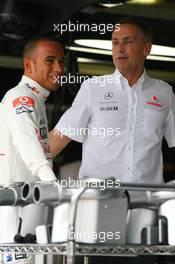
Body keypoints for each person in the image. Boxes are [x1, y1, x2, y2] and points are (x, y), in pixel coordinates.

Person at [48, 18, 173, 264]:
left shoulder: (164, 93)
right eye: (115, 43)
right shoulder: (93, 89)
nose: (119, 49)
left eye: (128, 42)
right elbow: (56, 141)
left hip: (144, 211)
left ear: (146, 48)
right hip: (98, 209)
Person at [0, 37, 64, 264]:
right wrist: (53, 184)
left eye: (60, 61)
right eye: (50, 60)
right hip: (14, 205)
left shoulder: (35, 98)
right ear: (29, 65)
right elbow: (26, 141)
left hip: (23, 202)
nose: (59, 68)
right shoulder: (23, 97)